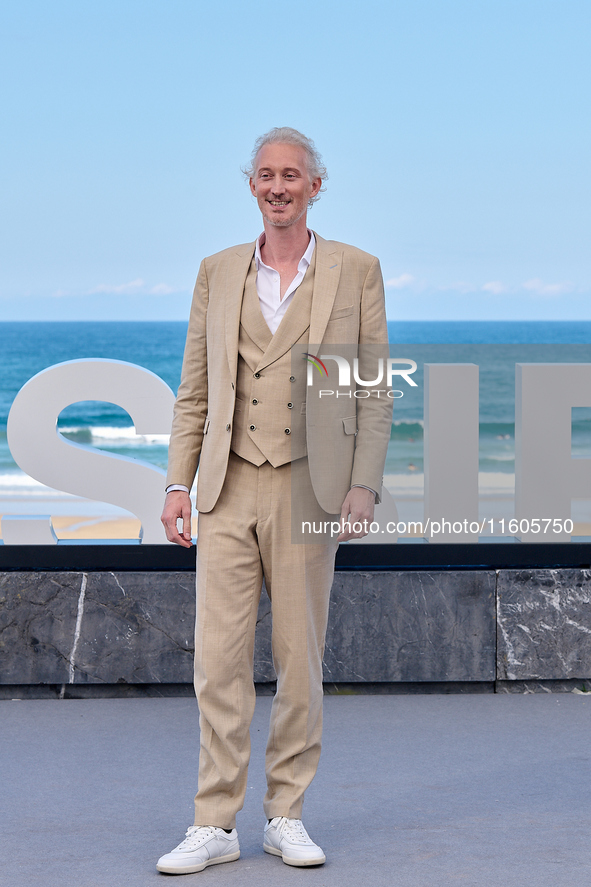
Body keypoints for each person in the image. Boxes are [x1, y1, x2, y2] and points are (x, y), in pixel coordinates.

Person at [158, 127, 392, 874]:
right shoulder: (216, 271)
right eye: (266, 174)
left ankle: (285, 812)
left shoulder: (357, 270)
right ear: (251, 186)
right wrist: (176, 482)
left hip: (309, 484)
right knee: (217, 662)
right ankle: (213, 821)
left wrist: (362, 482)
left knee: (299, 659)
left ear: (315, 185)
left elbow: (374, 391)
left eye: (292, 174)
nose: (278, 185)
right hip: (226, 487)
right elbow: (194, 390)